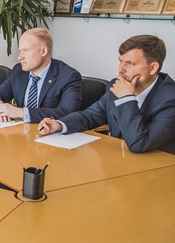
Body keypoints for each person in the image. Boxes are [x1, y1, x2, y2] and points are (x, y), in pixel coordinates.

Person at [39, 35, 175, 155]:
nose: (121, 69)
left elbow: (139, 143)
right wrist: (59, 124)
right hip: (119, 160)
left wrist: (126, 98)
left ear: (153, 68)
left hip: (159, 168)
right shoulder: (116, 86)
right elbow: (91, 115)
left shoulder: (170, 100)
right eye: (121, 61)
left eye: (130, 63)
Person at [0, 27, 82, 123]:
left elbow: (67, 112)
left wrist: (21, 113)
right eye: (20, 51)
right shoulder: (18, 70)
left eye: (25, 50)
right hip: (21, 129)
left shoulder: (68, 76)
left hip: (47, 131)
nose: (20, 57)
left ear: (43, 51)